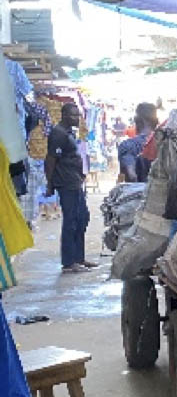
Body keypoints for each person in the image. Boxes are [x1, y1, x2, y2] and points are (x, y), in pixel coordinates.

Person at [45, 102, 96, 273]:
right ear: (64, 115)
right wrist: (50, 184)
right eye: (74, 115)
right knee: (71, 220)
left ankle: (78, 258)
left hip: (74, 181)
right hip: (66, 183)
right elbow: (51, 160)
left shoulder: (68, 133)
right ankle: (68, 262)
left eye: (78, 115)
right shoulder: (58, 134)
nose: (77, 118)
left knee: (82, 217)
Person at [118, 102, 158, 182]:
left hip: (136, 192)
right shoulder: (164, 144)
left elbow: (131, 175)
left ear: (136, 121)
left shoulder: (127, 145)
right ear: (156, 121)